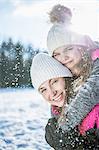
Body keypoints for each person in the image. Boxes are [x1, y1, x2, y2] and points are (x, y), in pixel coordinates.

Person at [47, 4, 99, 132]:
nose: (63, 57)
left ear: (81, 47)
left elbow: (91, 90)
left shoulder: (96, 61)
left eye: (68, 48)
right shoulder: (65, 77)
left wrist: (63, 129)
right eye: (56, 54)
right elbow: (58, 108)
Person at [30, 53, 99, 149]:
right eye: (43, 89)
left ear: (65, 77)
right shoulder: (56, 118)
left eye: (54, 81)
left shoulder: (95, 109)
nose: (52, 93)